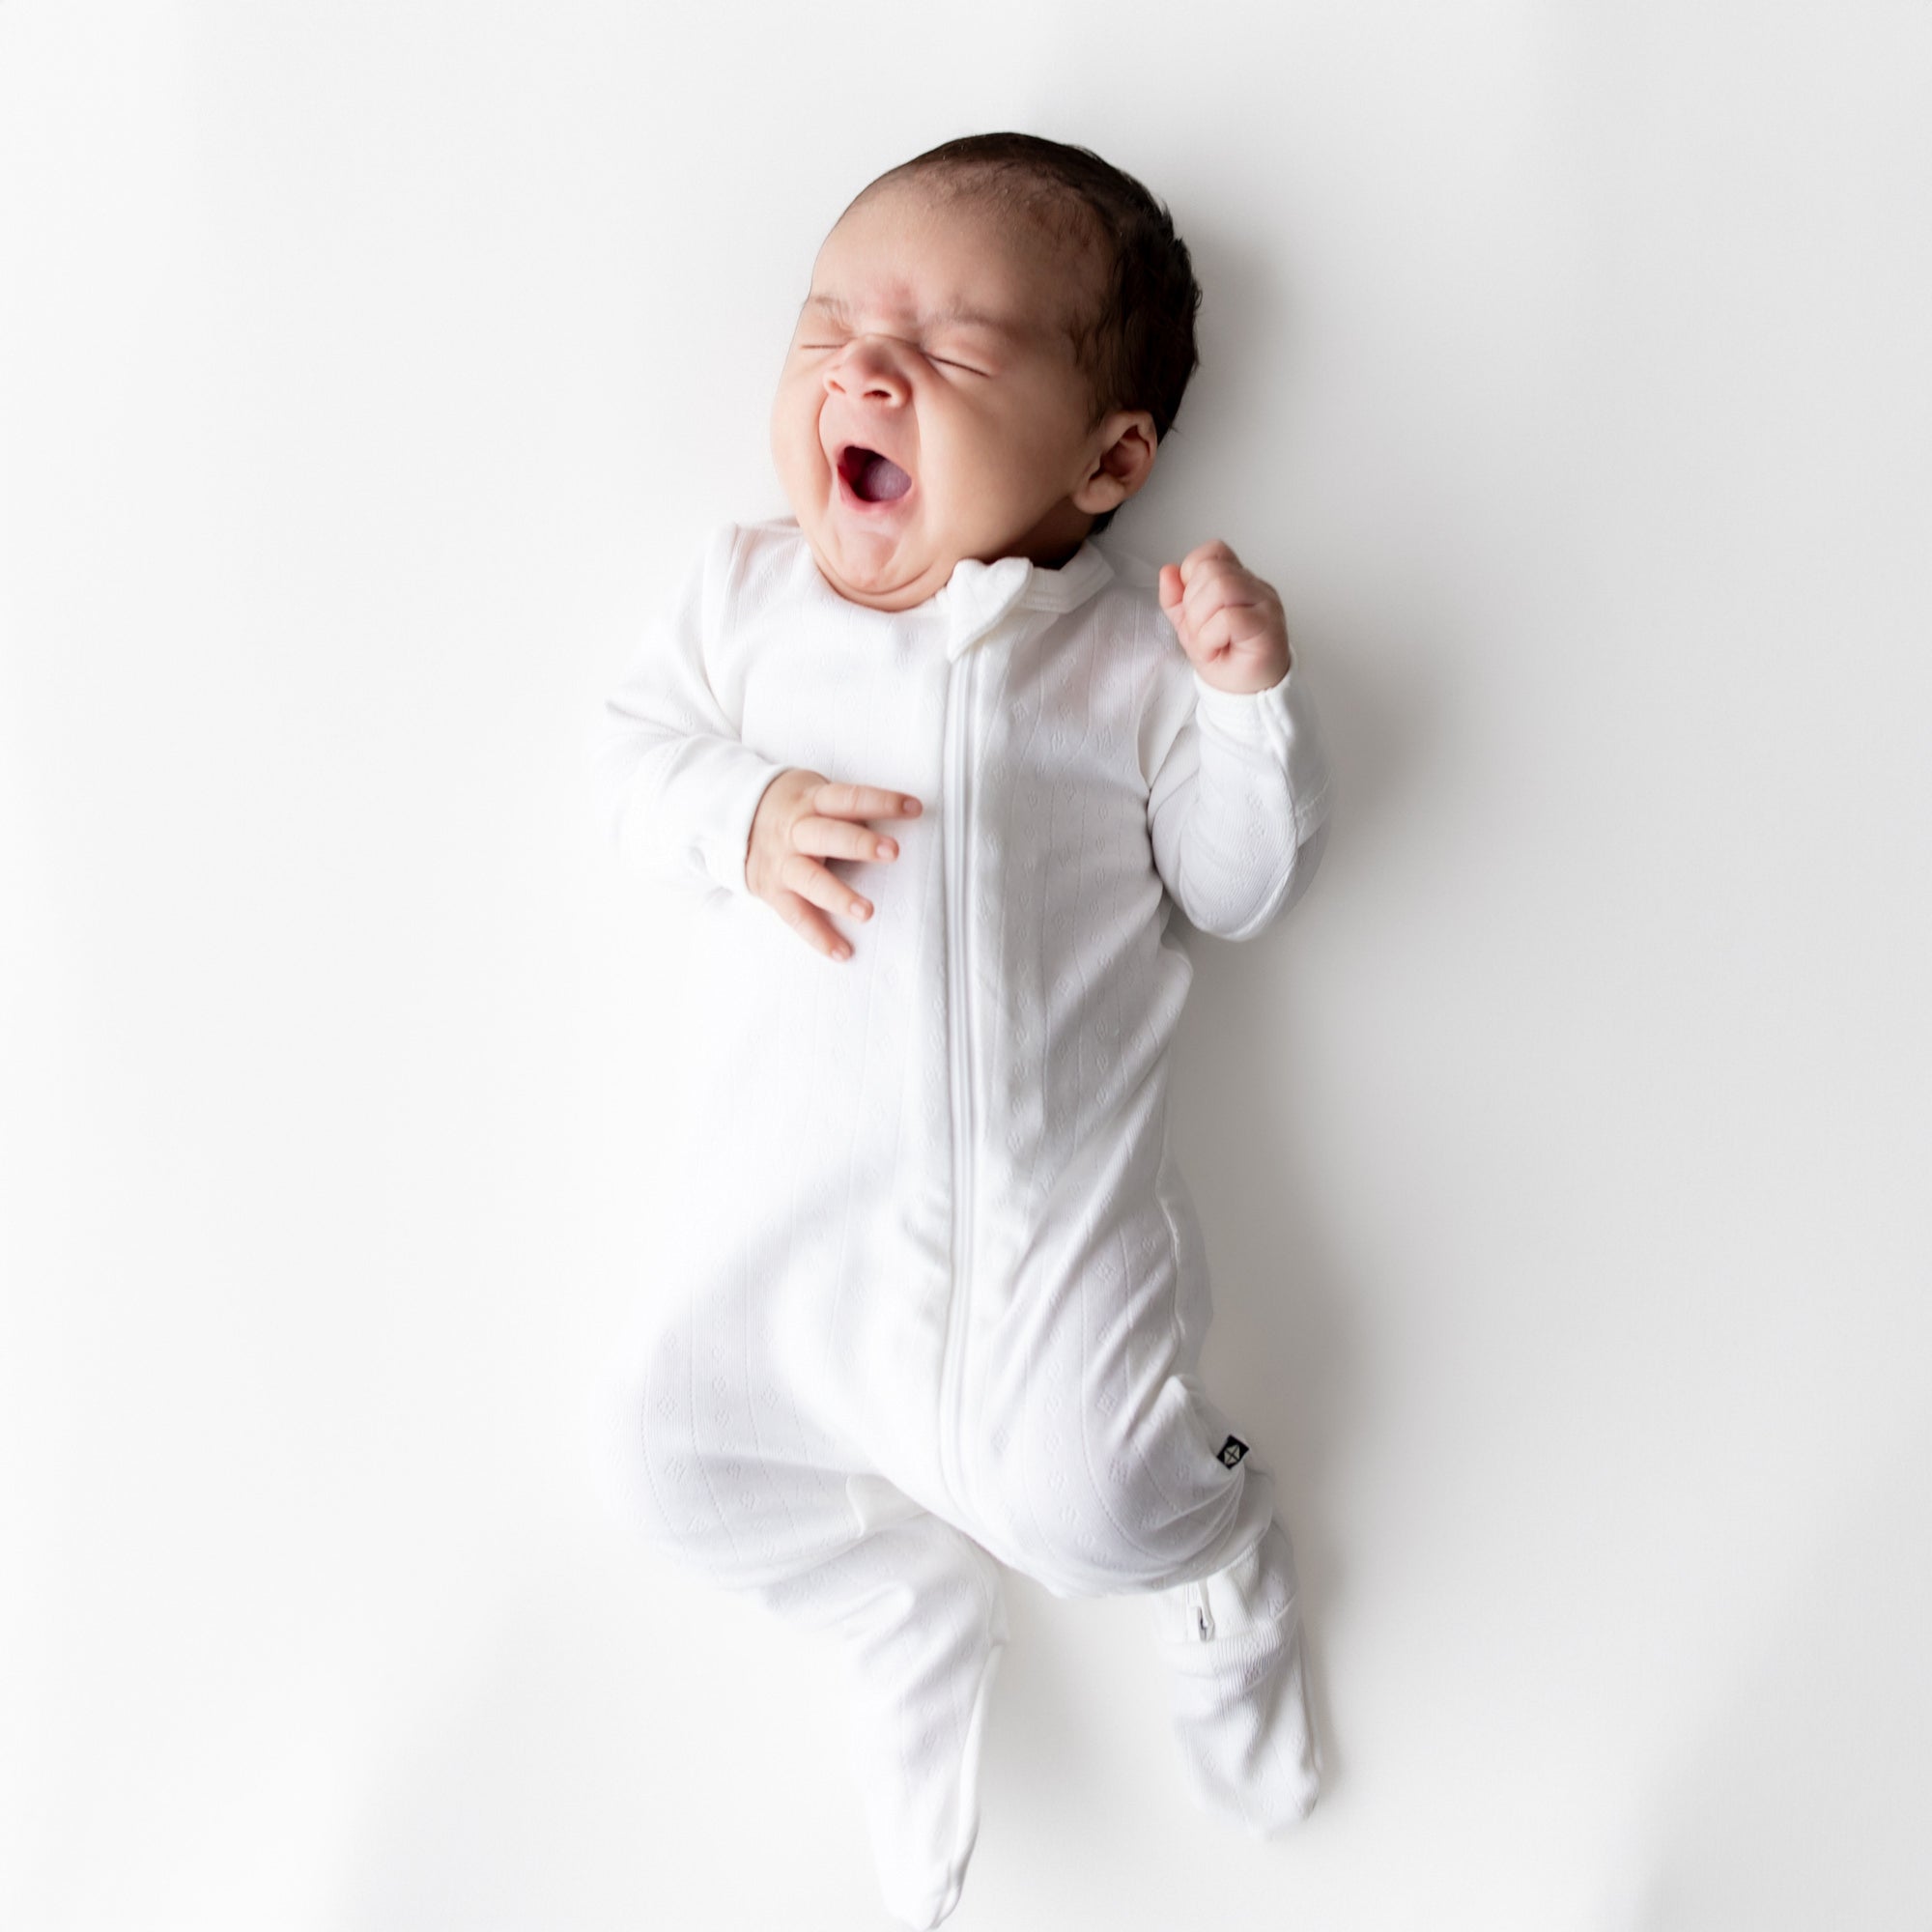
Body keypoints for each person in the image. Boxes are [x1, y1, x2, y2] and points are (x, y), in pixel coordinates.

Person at [589, 131, 1334, 1929]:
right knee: (661, 1456)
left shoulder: (1124, 667)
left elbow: (1228, 891)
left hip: (1042, 1250)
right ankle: (892, 1596)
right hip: (792, 1228)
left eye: (949, 348)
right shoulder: (750, 605)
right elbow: (628, 760)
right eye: (834, 323)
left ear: (1109, 460)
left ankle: (1218, 1563)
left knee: (1095, 1500)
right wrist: (741, 810)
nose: (864, 366)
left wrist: (1248, 711)